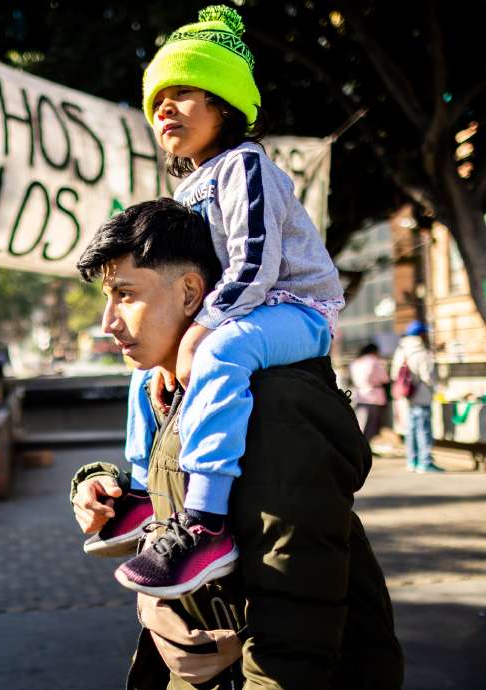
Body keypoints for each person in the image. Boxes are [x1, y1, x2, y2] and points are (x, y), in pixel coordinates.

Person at [71, 199, 402, 688]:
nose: (108, 321)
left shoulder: (272, 404)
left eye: (125, 295)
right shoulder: (172, 392)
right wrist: (100, 486)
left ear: (190, 293)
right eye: (107, 297)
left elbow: (297, 609)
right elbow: (170, 497)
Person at [109, 5, 347, 599]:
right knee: (145, 368)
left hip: (298, 310)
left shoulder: (246, 165)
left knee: (221, 354)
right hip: (246, 310)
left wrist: (200, 329)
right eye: (157, 98)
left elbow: (257, 264)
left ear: (226, 105)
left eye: (185, 92)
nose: (166, 107)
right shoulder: (188, 187)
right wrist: (177, 341)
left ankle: (207, 523)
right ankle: (143, 497)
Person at [391, 321, 444, 473]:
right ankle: (425, 462)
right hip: (421, 396)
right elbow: (428, 377)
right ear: (421, 335)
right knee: (424, 430)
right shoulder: (422, 353)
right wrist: (438, 389)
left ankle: (411, 461)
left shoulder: (401, 351)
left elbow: (394, 374)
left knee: (411, 430)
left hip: (405, 396)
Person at [350, 343, 390, 441]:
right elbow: (385, 378)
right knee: (370, 427)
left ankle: (361, 447)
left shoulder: (356, 362)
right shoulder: (374, 361)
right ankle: (364, 447)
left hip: (360, 395)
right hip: (373, 396)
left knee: (360, 424)